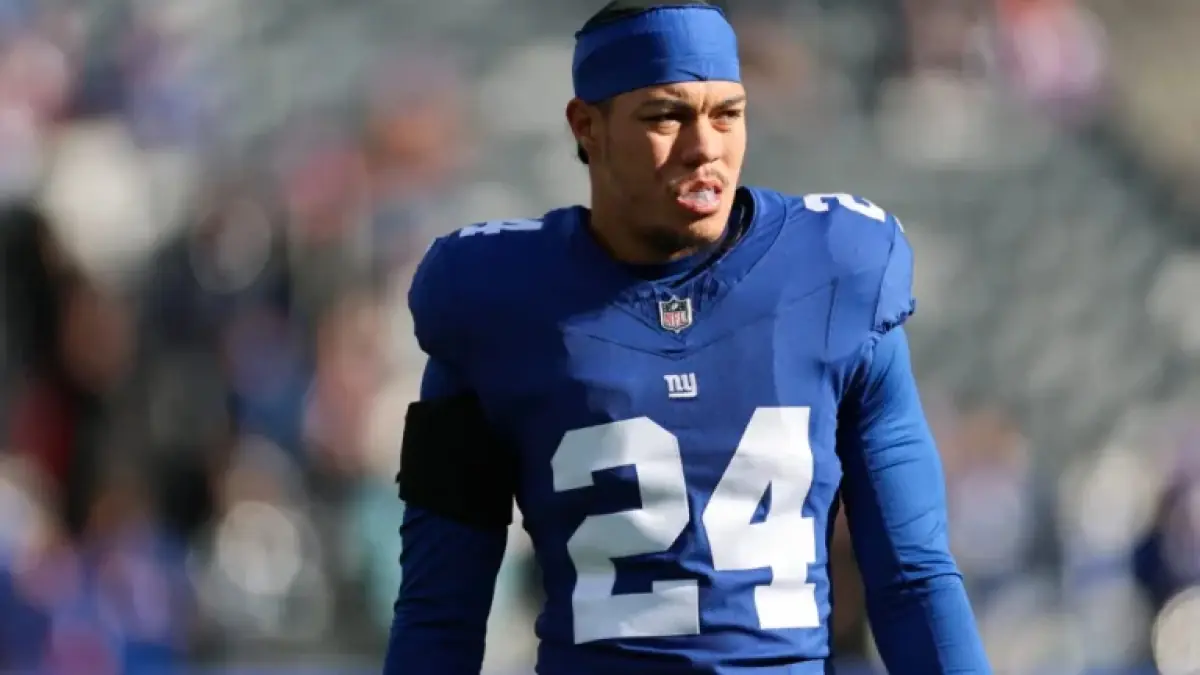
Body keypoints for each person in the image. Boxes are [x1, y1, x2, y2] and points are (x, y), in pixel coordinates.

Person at [384, 2, 993, 674]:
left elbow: (915, 580)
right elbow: (439, 614)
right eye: (665, 117)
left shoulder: (835, 274)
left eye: (727, 114)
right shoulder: (493, 302)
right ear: (587, 127)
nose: (705, 147)